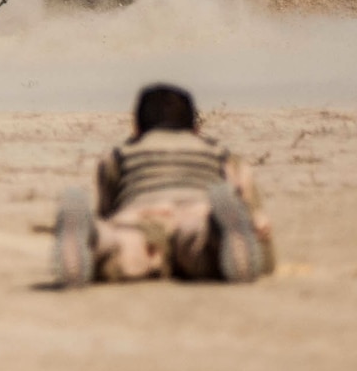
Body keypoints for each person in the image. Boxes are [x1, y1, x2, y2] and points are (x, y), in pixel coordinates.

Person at [53, 83, 275, 287]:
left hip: (143, 214)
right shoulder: (219, 154)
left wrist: (106, 225)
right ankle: (218, 231)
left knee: (123, 245)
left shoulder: (121, 154)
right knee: (202, 244)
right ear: (196, 128)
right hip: (199, 211)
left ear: (136, 128)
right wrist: (255, 224)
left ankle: (97, 239)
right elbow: (251, 206)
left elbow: (108, 208)